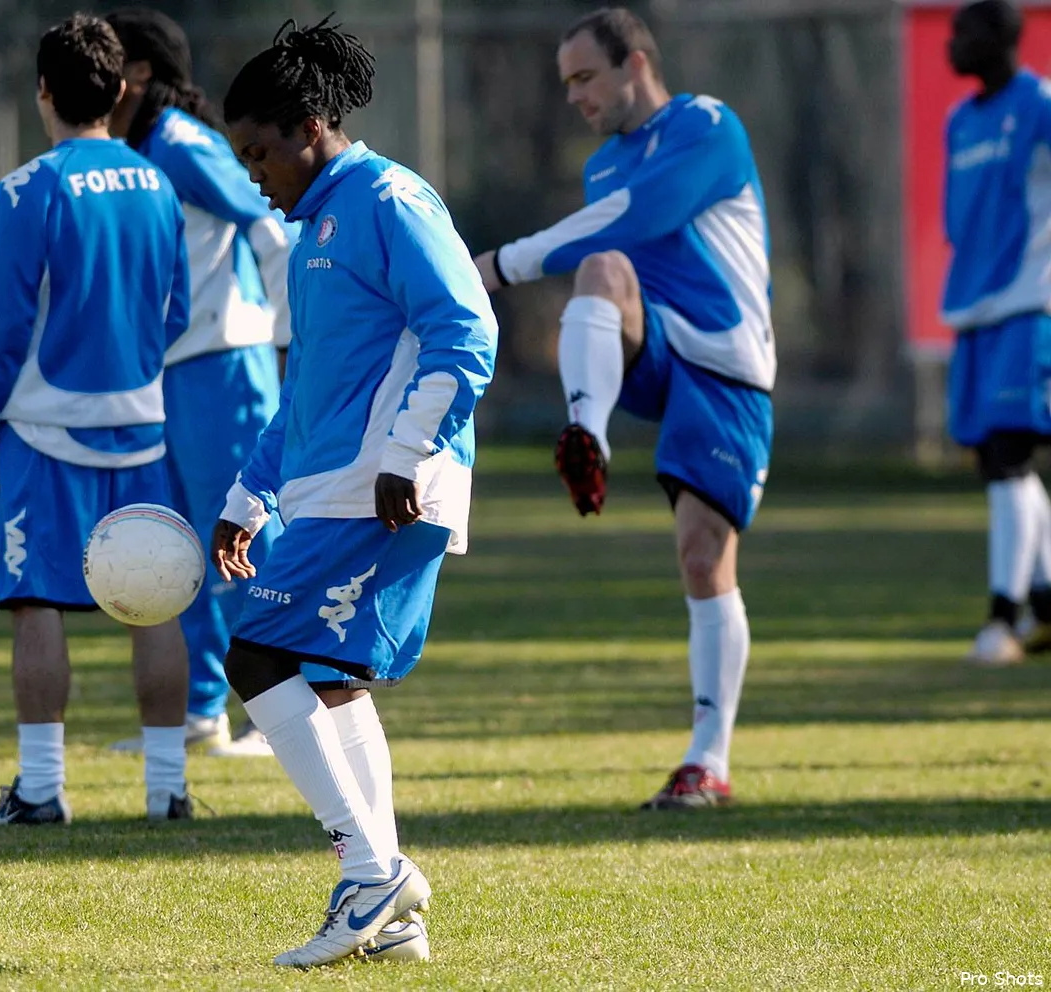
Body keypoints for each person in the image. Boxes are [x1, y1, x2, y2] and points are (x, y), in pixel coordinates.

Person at [214, 18, 498, 966]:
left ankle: (372, 870)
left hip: (388, 490)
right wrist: (251, 496)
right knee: (331, 682)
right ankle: (393, 915)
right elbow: (306, 392)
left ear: (309, 126)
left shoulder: (388, 197)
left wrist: (407, 455)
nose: (255, 172)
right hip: (338, 486)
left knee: (254, 652)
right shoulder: (316, 228)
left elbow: (468, 328)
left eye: (260, 151)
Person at [472, 7, 773, 810]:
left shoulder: (706, 125)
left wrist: (499, 264)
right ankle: (588, 436)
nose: (574, 96)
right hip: (654, 348)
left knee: (704, 558)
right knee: (603, 269)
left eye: (584, 77)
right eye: (566, 82)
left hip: (726, 360)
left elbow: (640, 216)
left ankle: (708, 760)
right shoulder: (603, 165)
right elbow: (612, 235)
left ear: (635, 63)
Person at [0, 14, 194, 825]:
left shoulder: (29, 188)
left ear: (44, 93)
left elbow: (3, 323)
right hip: (142, 427)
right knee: (156, 600)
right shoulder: (157, 183)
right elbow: (177, 311)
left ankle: (41, 790)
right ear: (119, 89)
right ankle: (167, 789)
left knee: (36, 602)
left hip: (44, 431)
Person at [103, 7, 293, 757]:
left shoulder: (180, 142)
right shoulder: (142, 145)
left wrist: (285, 337)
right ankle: (203, 711)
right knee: (185, 543)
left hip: (227, 362)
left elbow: (271, 219)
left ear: (141, 73)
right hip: (178, 372)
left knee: (251, 535)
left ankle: (281, 716)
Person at [941, 0, 1051, 666]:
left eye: (964, 33)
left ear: (1000, 37)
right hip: (972, 308)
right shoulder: (960, 121)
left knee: (1011, 452)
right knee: (995, 460)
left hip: (1028, 303)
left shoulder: (1039, 103)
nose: (953, 44)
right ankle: (1045, 603)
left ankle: (1000, 620)